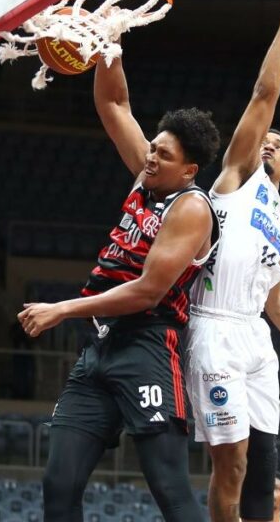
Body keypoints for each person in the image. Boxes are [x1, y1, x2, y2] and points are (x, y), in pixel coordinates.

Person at [173, 0, 280, 522]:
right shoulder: (238, 177)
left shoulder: (277, 216)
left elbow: (275, 298)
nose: (270, 141)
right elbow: (263, 97)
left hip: (254, 334)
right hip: (214, 327)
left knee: (264, 462)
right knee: (233, 465)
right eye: (268, 138)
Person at [18, 105, 221, 520]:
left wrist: (62, 309)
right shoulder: (146, 177)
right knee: (59, 484)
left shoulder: (191, 208)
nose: (151, 157)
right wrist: (108, 44)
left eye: (165, 155)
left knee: (171, 490)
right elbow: (114, 107)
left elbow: (148, 291)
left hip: (149, 347)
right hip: (101, 347)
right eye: (152, 148)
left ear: (188, 170)